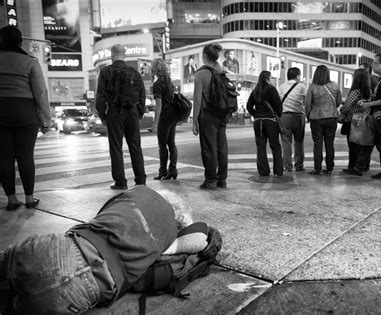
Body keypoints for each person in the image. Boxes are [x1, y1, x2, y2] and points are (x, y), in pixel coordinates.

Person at [0, 186, 210, 314]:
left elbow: (101, 214)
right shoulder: (169, 238)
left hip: (56, 248)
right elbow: (199, 239)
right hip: (83, 289)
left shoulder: (140, 192)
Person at [0, 26, 51, 211]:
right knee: (26, 156)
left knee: (4, 158)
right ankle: (29, 198)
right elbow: (41, 93)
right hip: (25, 113)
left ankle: (12, 200)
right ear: (20, 42)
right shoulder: (30, 62)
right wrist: (46, 120)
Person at [96, 44, 147, 190]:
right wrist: (139, 113)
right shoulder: (134, 72)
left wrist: (103, 116)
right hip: (132, 112)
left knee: (116, 148)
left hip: (115, 112)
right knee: (135, 146)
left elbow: (100, 97)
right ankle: (140, 180)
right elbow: (142, 95)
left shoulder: (106, 72)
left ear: (112, 55)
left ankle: (120, 182)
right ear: (124, 55)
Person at [344, 52, 381, 179]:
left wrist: (369, 104)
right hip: (377, 116)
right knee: (368, 143)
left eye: (375, 63)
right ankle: (360, 167)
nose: (373, 66)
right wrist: (368, 102)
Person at [193, 43, 229, 190]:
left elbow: (197, 100)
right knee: (222, 147)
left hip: (207, 115)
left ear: (205, 56)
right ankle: (222, 180)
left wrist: (194, 120)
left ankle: (210, 180)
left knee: (209, 148)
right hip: (222, 114)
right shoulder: (221, 71)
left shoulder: (201, 74)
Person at [305, 65, 342, 175]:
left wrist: (308, 115)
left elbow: (307, 104)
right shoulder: (335, 85)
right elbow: (339, 101)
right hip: (331, 117)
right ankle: (329, 168)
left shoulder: (312, 87)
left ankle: (317, 168)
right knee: (329, 144)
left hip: (316, 118)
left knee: (318, 144)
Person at [247, 71, 284, 177]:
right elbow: (278, 106)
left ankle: (263, 171)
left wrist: (256, 115)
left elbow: (249, 106)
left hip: (258, 121)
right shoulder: (272, 89)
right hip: (270, 121)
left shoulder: (255, 91)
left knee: (261, 147)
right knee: (275, 145)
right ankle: (278, 170)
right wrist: (277, 114)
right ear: (268, 78)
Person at [151, 59, 180, 180]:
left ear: (155, 70)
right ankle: (172, 169)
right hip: (173, 116)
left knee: (162, 145)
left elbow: (159, 104)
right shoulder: (169, 82)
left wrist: (155, 123)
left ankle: (162, 170)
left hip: (164, 117)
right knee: (172, 144)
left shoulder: (157, 85)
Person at [339, 69, 372, 171]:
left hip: (352, 121)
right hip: (364, 121)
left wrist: (342, 110)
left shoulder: (355, 91)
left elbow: (346, 106)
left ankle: (352, 166)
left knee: (353, 146)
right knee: (361, 145)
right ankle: (364, 166)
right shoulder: (368, 91)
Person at [278, 67, 307, 172]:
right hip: (298, 116)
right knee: (299, 141)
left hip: (284, 116)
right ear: (298, 76)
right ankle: (299, 165)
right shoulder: (302, 87)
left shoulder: (281, 87)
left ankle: (288, 166)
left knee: (286, 142)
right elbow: (305, 101)